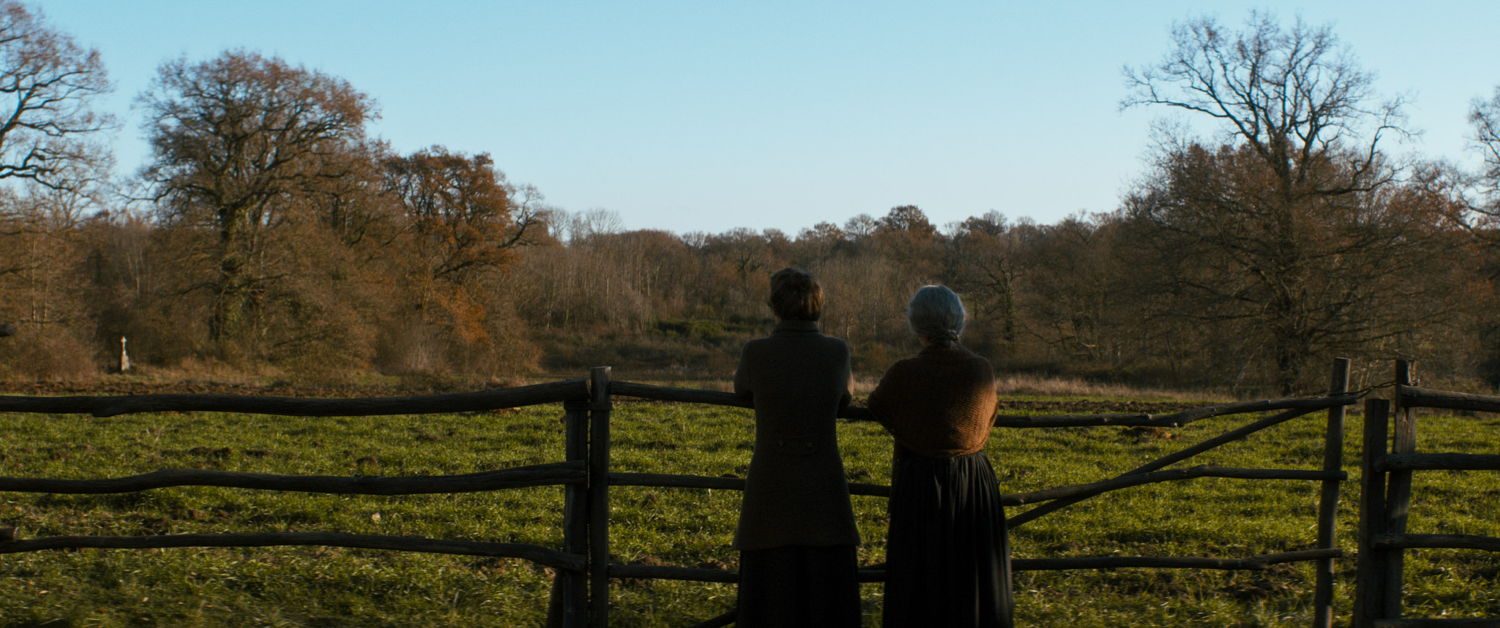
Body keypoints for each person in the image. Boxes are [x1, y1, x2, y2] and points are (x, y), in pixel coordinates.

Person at [868, 285, 1013, 627]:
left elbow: (878, 405)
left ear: (917, 326)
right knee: (972, 577)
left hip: (921, 485)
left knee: (920, 583)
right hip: (974, 483)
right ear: (959, 321)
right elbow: (986, 418)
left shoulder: (904, 373)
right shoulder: (981, 369)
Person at [733, 267, 861, 628]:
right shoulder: (837, 351)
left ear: (774, 306)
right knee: (826, 596)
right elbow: (846, 397)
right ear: (818, 304)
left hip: (771, 484)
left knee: (769, 594)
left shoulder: (756, 352)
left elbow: (741, 389)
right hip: (823, 484)